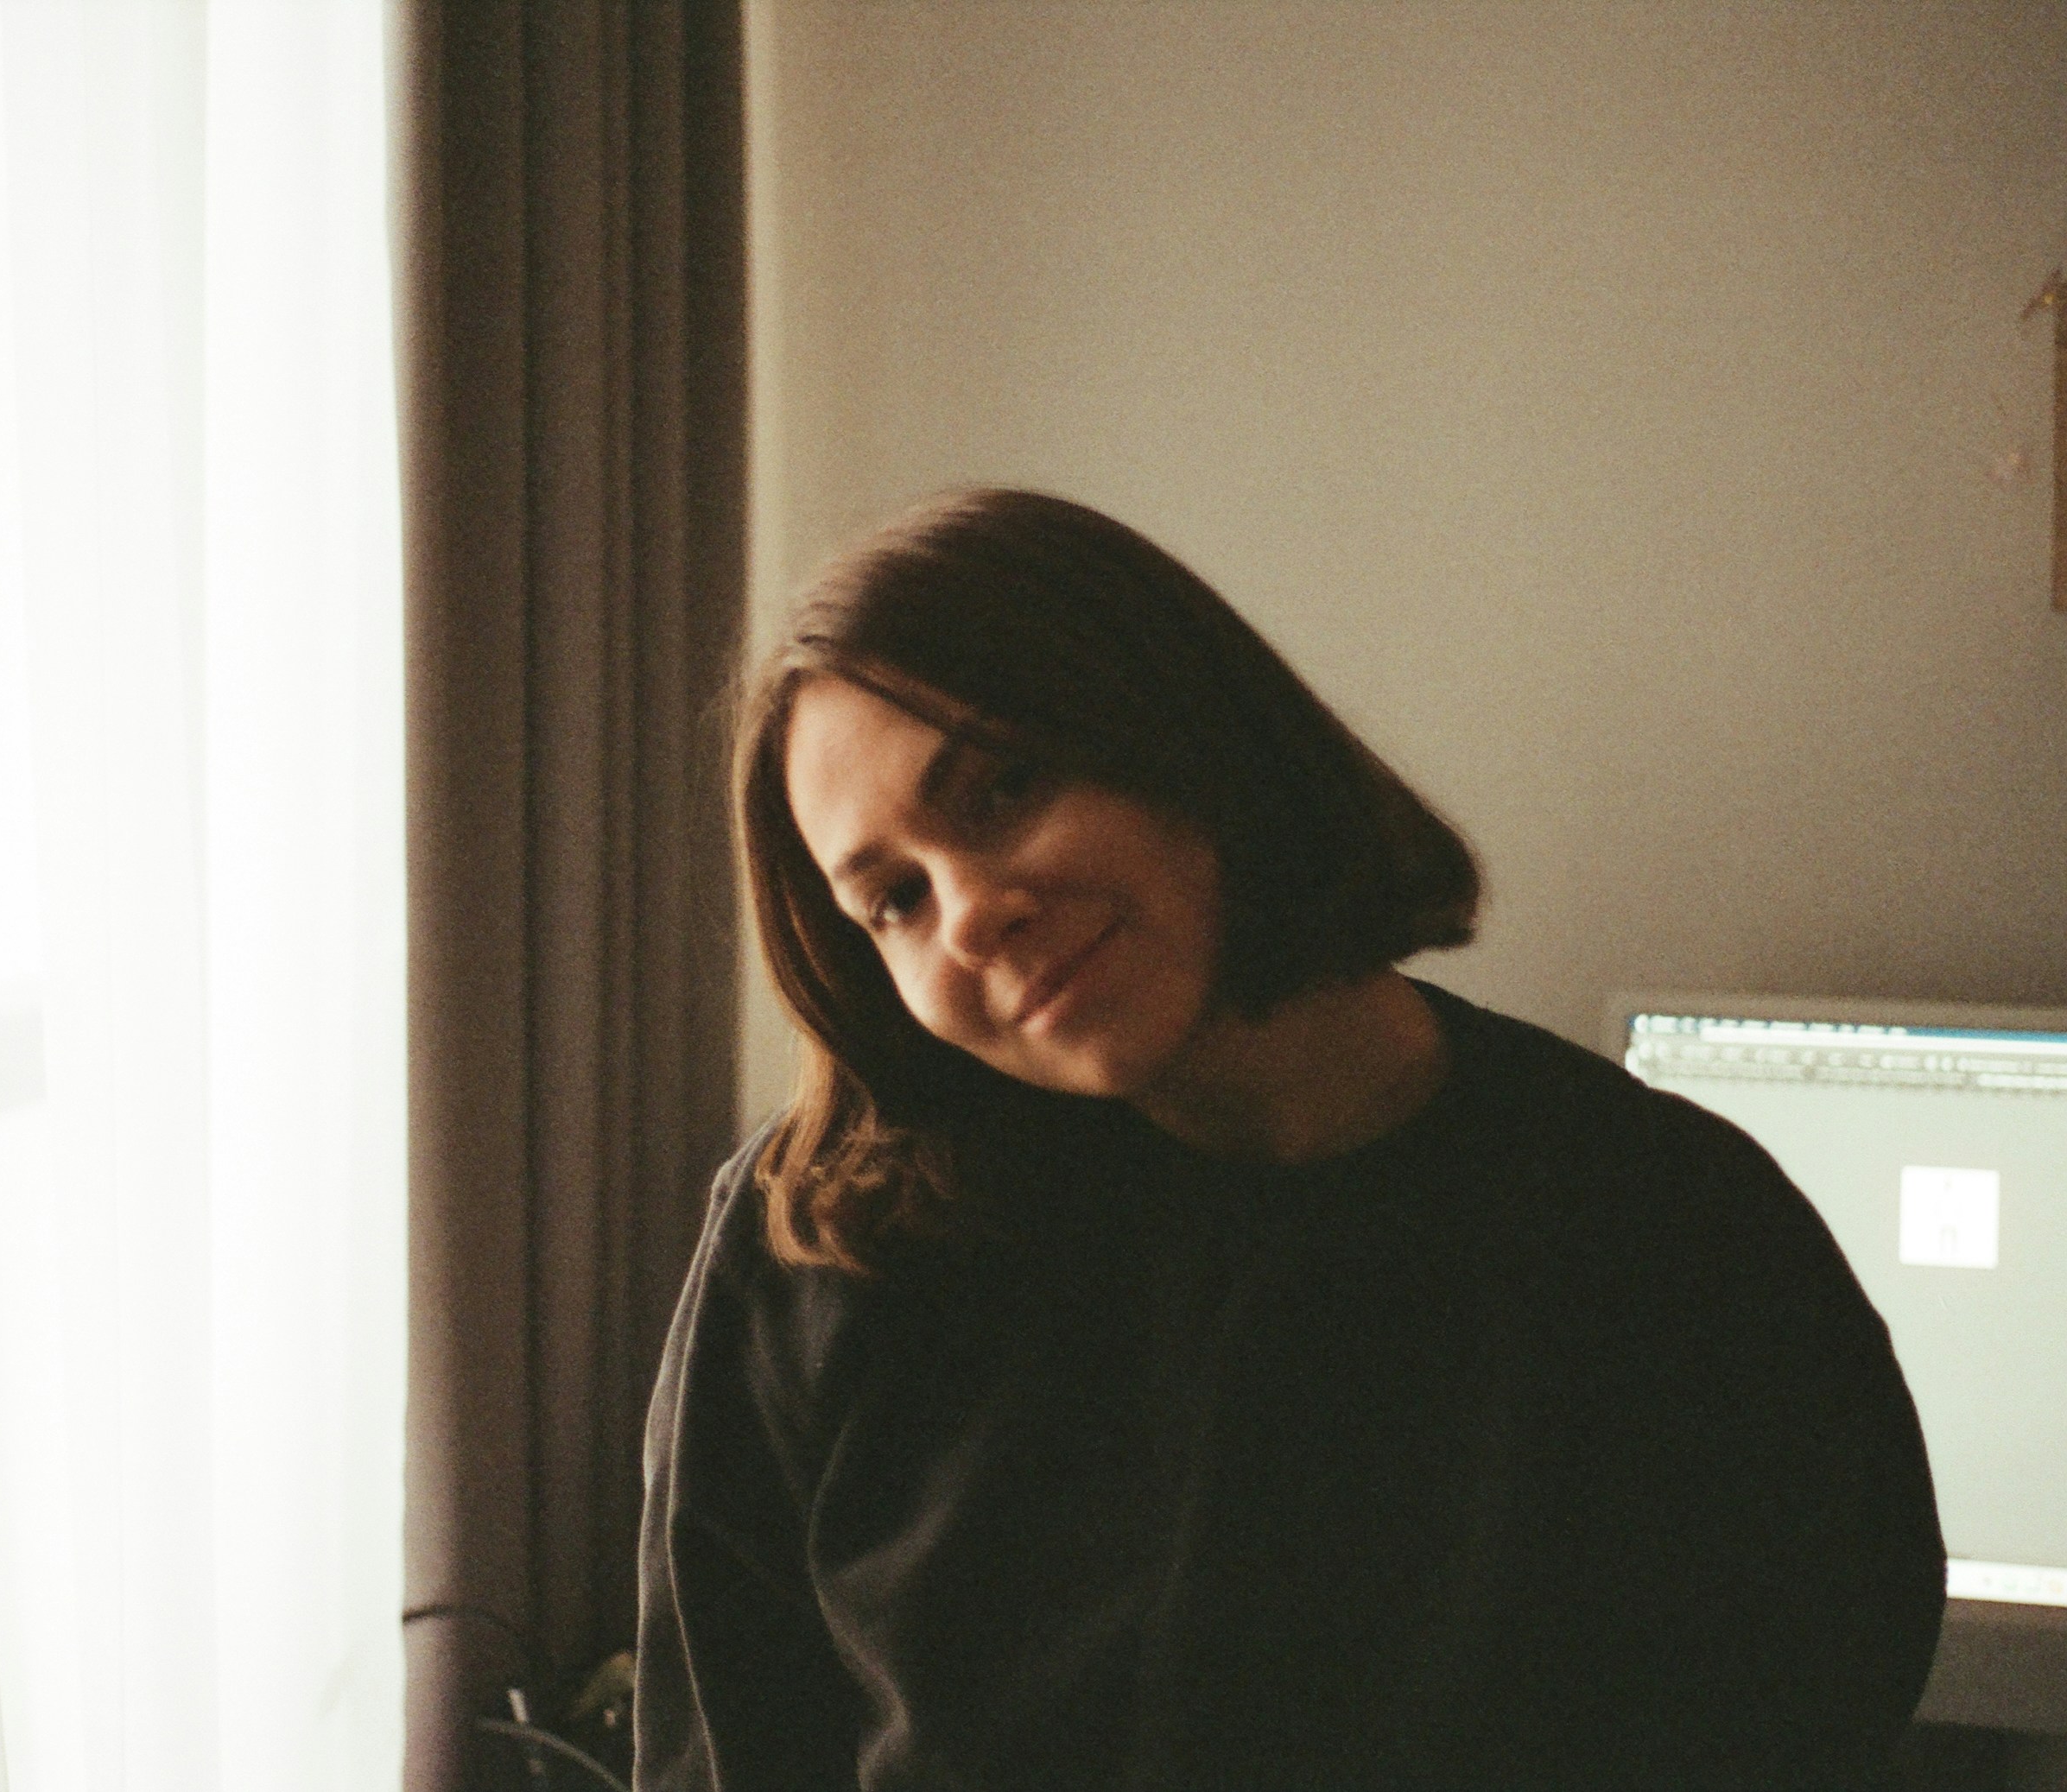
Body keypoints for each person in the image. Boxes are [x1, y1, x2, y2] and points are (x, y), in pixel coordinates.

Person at [636, 489, 1943, 1790]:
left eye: (1000, 787)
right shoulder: (829, 1244)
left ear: (1174, 723)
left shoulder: (1672, 1233)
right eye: (894, 898)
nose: (969, 914)